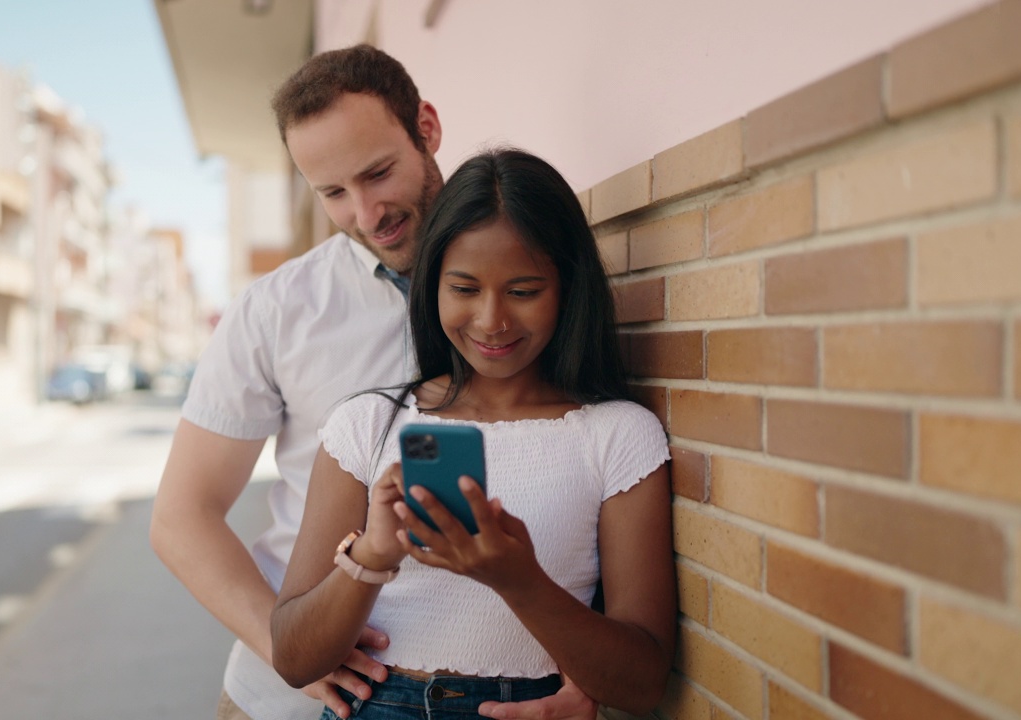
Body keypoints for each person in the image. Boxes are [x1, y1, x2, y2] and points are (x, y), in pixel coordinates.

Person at [150, 45, 602, 720]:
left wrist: (588, 675)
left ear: (427, 127)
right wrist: (285, 653)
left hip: (497, 692)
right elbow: (181, 516)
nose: (366, 214)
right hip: (289, 696)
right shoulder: (276, 310)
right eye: (333, 193)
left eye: (378, 173)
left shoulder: (534, 276)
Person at [271, 148, 677, 718]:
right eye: (464, 289)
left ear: (567, 288)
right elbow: (292, 657)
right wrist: (374, 554)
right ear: (432, 285)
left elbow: (642, 682)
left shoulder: (616, 435)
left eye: (523, 291)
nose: (491, 321)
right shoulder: (366, 425)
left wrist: (519, 580)